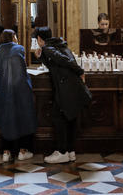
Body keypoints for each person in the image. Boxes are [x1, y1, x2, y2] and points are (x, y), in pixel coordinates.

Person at [33, 26, 92, 164]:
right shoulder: (59, 44)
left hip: (65, 87)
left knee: (57, 117)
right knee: (70, 117)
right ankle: (70, 151)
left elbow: (62, 60)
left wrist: (80, 70)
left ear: (40, 39)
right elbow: (56, 63)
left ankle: (62, 152)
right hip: (72, 86)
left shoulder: (48, 48)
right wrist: (41, 56)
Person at [0, 30, 37, 163]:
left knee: (7, 117)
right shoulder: (19, 48)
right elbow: (23, 68)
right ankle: (23, 151)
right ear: (13, 37)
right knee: (23, 117)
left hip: (4, 89)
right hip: (21, 88)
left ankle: (6, 152)